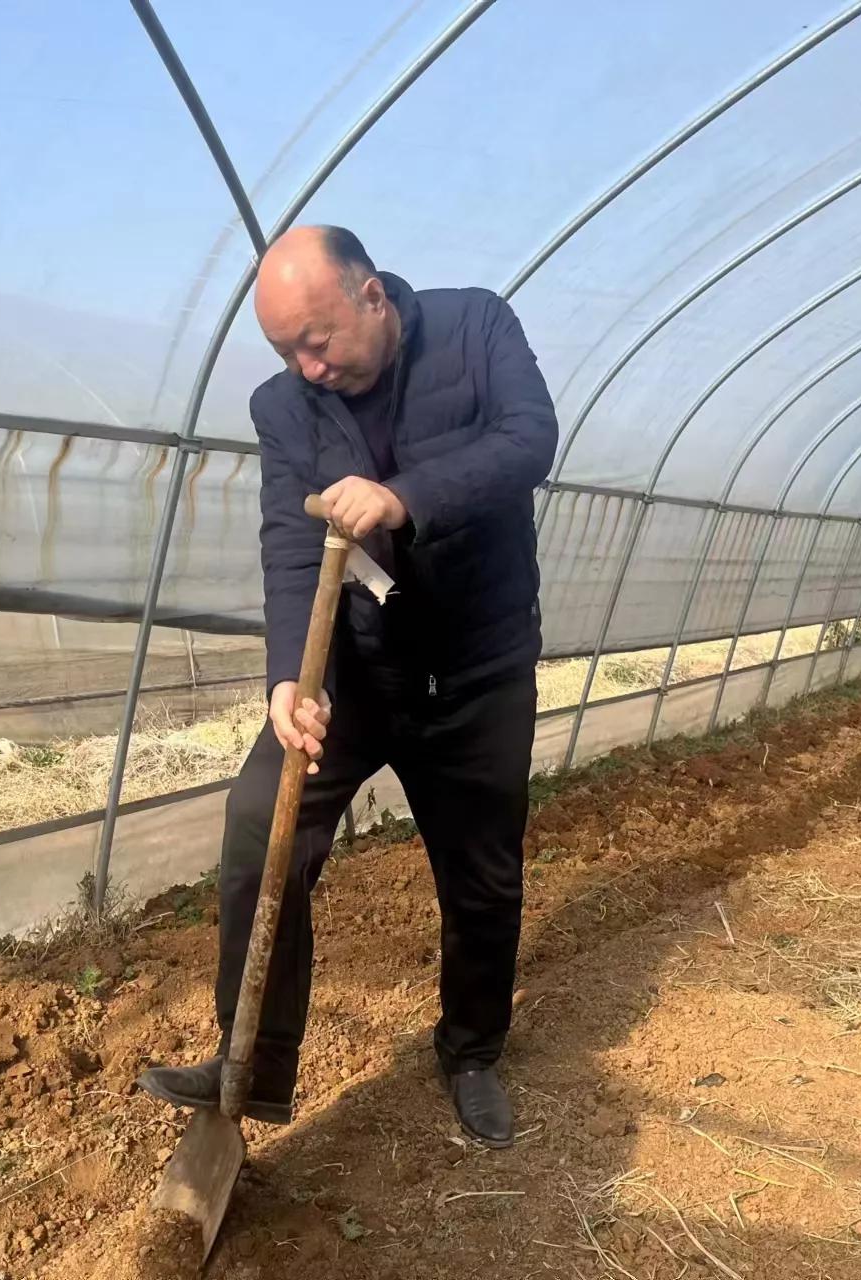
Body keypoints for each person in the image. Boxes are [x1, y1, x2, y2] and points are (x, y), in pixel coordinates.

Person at [137, 226, 557, 1148]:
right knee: (262, 823)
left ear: (371, 295)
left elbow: (528, 442)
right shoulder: (282, 407)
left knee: (482, 872)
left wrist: (405, 495)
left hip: (477, 668)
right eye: (285, 349)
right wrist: (292, 676)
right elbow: (291, 545)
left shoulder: (477, 328)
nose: (306, 366)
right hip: (363, 669)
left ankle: (473, 1050)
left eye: (316, 340)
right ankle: (255, 1060)